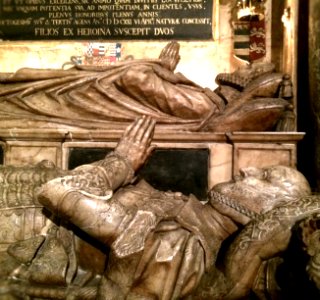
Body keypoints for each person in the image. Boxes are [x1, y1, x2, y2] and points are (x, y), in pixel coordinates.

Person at [33, 116, 316, 300]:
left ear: (265, 212)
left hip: (28, 225)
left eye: (265, 178)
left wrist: (123, 160)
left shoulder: (180, 243)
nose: (248, 170)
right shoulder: (190, 212)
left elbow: (57, 191)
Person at [0, 42, 291, 132]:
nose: (242, 66)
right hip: (96, 91)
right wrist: (162, 70)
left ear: (243, 86)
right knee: (28, 77)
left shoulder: (204, 105)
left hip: (87, 99)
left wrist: (158, 68)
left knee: (27, 87)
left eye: (249, 70)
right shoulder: (204, 97)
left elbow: (135, 79)